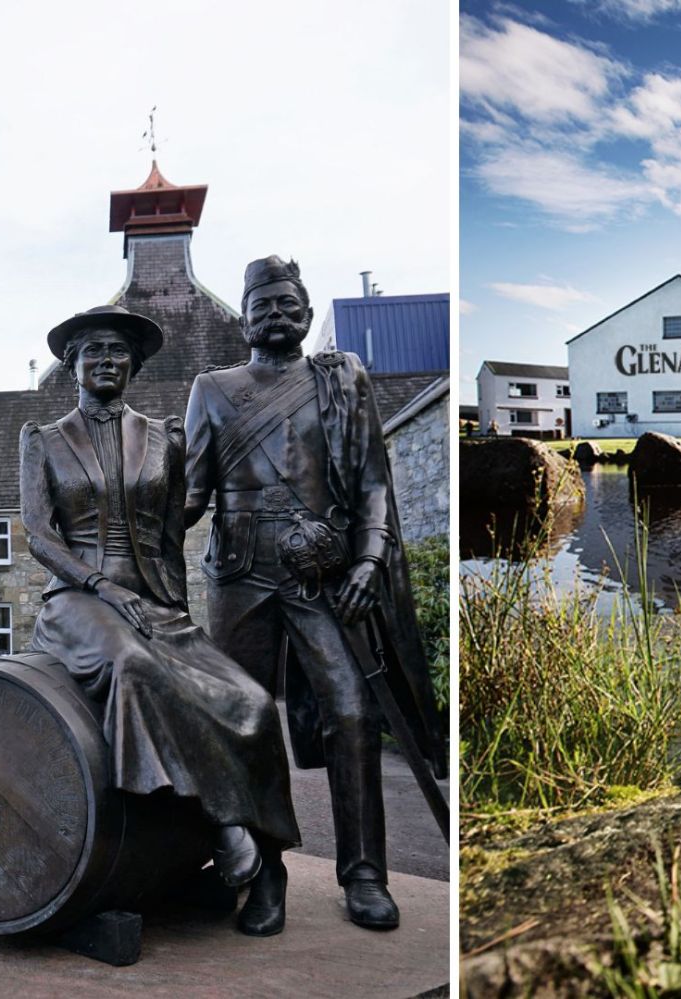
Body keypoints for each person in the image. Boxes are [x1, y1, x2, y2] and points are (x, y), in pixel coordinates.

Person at [19, 304, 301, 937]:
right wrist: (96, 584)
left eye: (119, 352)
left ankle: (272, 868)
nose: (107, 361)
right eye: (93, 352)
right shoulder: (42, 439)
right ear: (73, 366)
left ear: (136, 367)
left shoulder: (165, 438)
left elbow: (180, 522)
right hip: (78, 599)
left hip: (154, 599)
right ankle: (222, 826)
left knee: (250, 702)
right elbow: (39, 535)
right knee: (132, 665)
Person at [184, 256, 440, 932]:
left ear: (304, 309)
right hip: (241, 572)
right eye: (262, 302)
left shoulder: (341, 379)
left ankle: (363, 873)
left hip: (322, 571)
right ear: (244, 316)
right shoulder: (211, 388)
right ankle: (266, 874)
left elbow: (373, 484)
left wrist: (369, 558)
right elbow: (188, 494)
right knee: (243, 718)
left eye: (287, 301)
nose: (275, 312)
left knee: (353, 711)